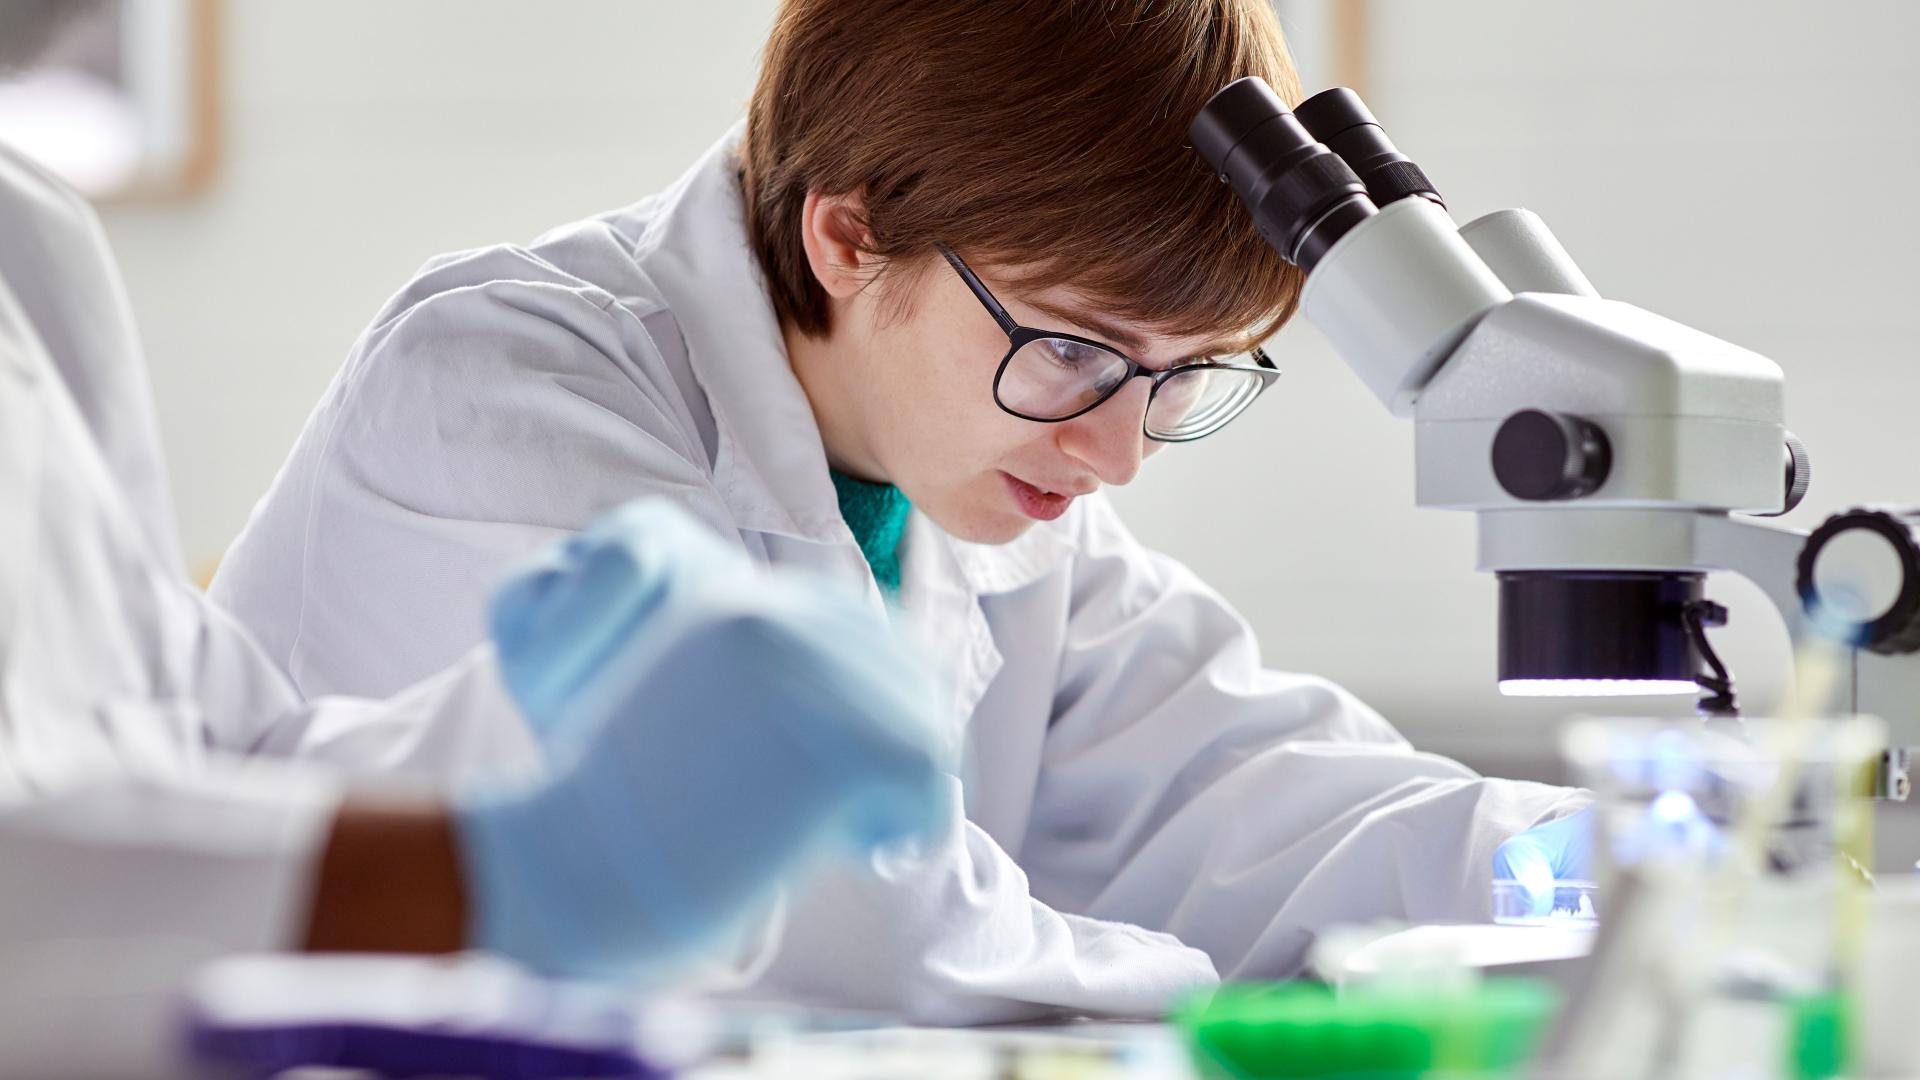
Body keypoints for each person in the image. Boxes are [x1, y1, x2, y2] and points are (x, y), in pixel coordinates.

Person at [212, 0, 1593, 1022]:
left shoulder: (979, 476)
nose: (1117, 451)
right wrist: (1252, 1016)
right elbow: (827, 929)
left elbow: (1262, 796)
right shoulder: (510, 391)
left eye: (1179, 379)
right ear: (849, 236)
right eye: (1073, 348)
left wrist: (1624, 871)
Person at [0, 8, 950, 1073]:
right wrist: (525, 870)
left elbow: (201, 755)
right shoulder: (519, 346)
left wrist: (528, 727)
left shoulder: (27, 239)